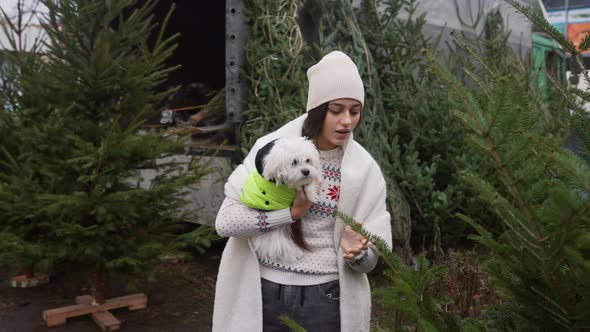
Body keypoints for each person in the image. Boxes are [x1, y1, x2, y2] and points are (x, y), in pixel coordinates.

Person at [212, 50, 392, 332]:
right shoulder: (271, 151)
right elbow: (225, 223)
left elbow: (371, 262)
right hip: (262, 292)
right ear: (318, 109)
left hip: (326, 299)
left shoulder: (363, 170)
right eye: (336, 110)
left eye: (354, 111)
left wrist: (358, 255)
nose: (346, 120)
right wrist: (290, 213)